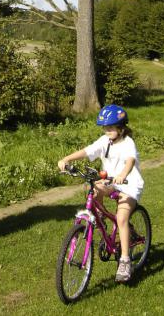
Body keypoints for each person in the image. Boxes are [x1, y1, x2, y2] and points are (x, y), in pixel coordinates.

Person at [57, 104, 144, 282]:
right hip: (109, 181)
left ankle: (125, 261)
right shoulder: (105, 141)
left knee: (121, 218)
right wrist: (67, 159)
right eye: (105, 128)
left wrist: (122, 175)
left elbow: (130, 161)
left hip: (129, 183)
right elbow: (88, 151)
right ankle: (101, 221)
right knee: (94, 191)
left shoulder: (128, 143)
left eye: (111, 127)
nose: (107, 131)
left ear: (121, 127)